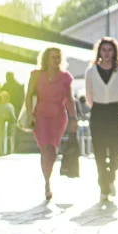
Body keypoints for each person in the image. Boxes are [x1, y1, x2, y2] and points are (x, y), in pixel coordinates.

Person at [26, 48, 77, 202]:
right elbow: (29, 96)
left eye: (58, 57)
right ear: (46, 59)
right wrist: (29, 114)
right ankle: (47, 184)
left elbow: (69, 99)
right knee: (44, 148)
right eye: (52, 57)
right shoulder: (36, 75)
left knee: (53, 150)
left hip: (58, 116)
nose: (55, 60)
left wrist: (74, 118)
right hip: (40, 115)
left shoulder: (65, 77)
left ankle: (49, 176)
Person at [86, 37, 118, 202]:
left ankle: (111, 176)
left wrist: (115, 101)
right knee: (100, 149)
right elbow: (89, 92)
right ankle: (103, 184)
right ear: (99, 51)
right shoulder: (91, 71)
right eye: (104, 50)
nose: (107, 53)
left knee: (117, 148)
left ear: (114, 51)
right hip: (97, 111)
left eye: (110, 50)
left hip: (113, 109)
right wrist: (95, 104)